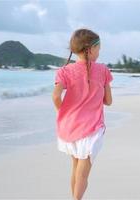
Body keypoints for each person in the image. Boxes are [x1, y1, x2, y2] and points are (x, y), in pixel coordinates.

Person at [52, 28, 113, 200]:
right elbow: (108, 101)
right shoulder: (102, 70)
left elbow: (56, 96)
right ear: (91, 49)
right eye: (99, 49)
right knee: (83, 175)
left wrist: (65, 113)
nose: (99, 52)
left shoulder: (64, 71)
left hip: (69, 127)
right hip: (91, 129)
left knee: (76, 168)